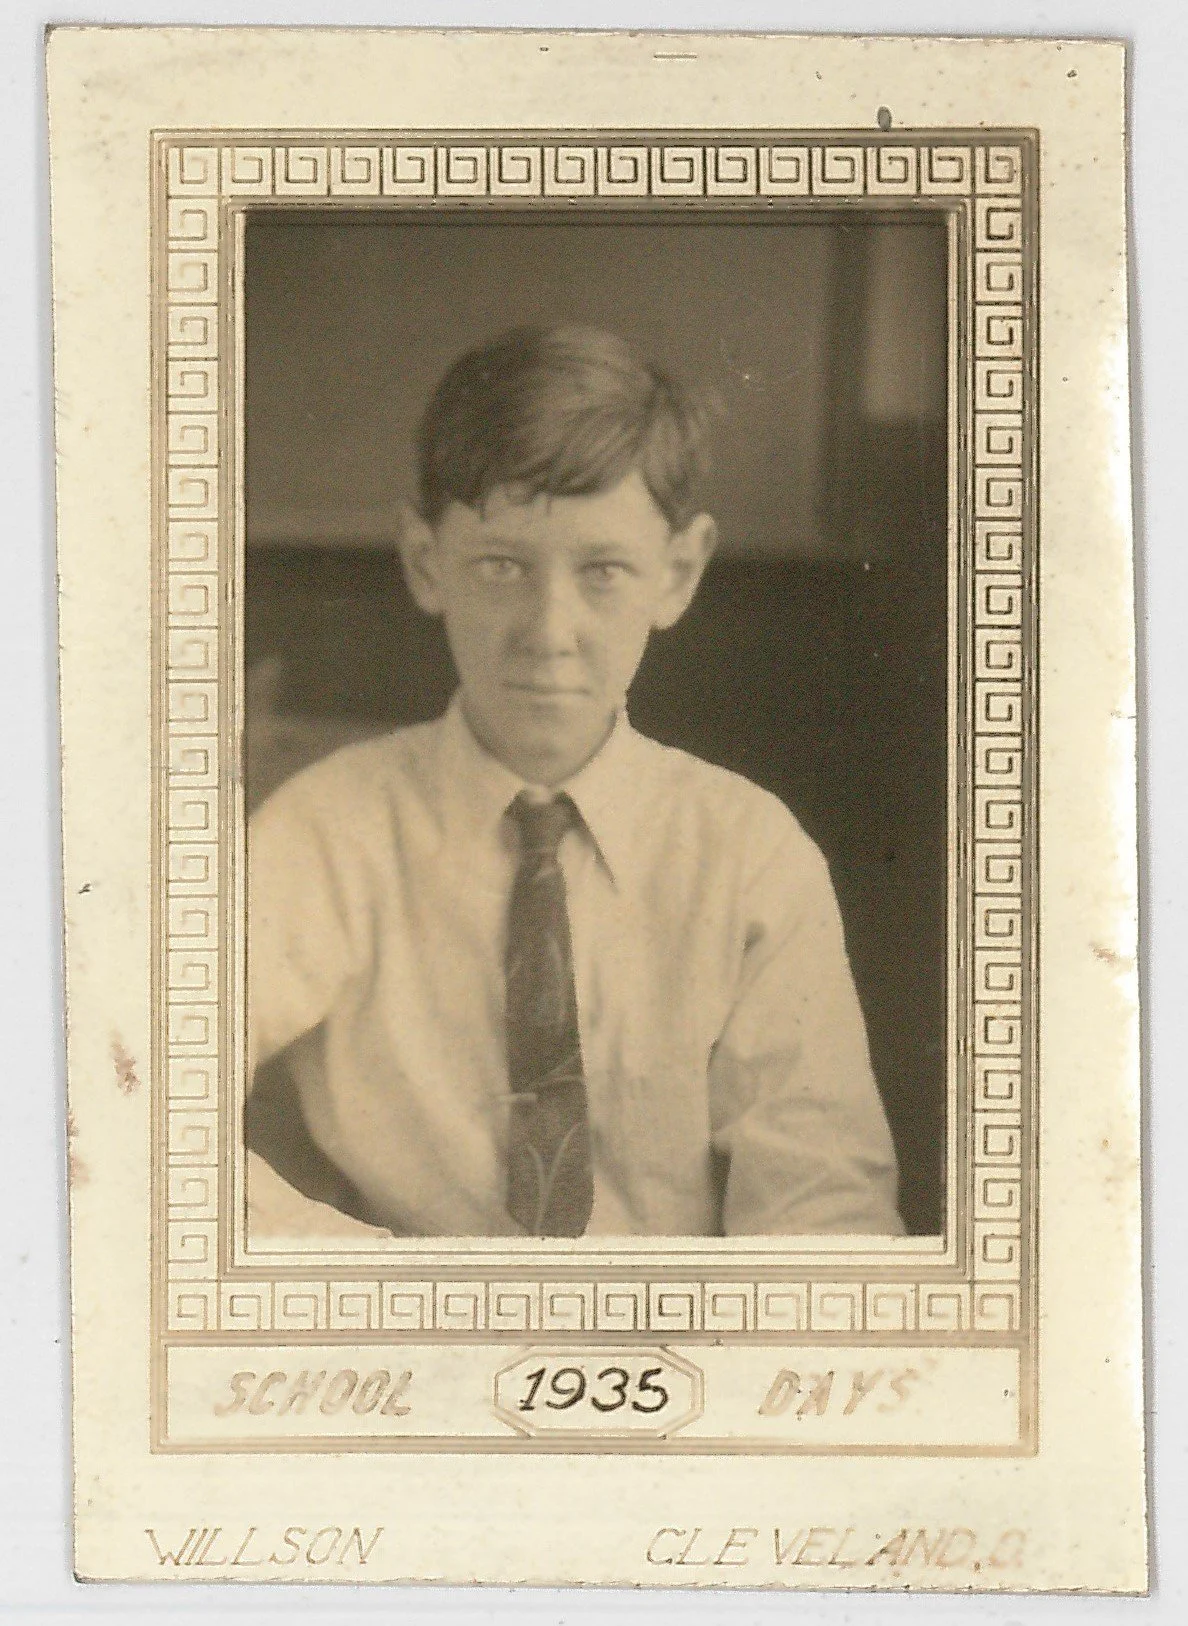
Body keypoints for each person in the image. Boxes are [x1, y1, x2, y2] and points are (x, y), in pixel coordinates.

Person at [247, 323, 903, 1240]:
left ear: (677, 574)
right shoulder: (324, 836)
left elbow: (824, 1205)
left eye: (602, 571)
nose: (550, 630)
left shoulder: (749, 855)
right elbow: (137, 1104)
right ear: (426, 562)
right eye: (502, 566)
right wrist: (380, 1279)